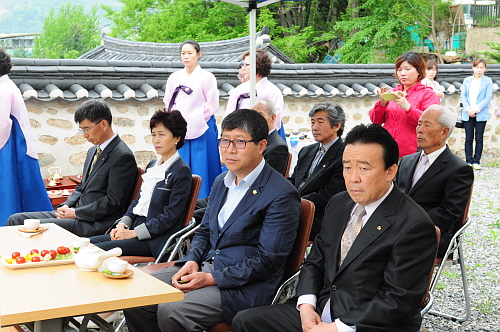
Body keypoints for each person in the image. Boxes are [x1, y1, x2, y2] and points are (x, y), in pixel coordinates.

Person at [232, 123, 437, 332]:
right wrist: (306, 305)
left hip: (366, 324)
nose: (353, 178)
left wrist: (338, 328)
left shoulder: (414, 225)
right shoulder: (339, 203)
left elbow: (397, 300)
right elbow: (315, 260)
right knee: (246, 322)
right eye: (347, 167)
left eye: (364, 168)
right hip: (320, 310)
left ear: (390, 171)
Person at [123, 109, 301, 332]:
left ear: (262, 146)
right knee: (137, 293)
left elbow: (267, 261)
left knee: (173, 311)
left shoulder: (281, 194)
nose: (229, 150)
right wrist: (192, 260)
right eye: (224, 141)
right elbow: (205, 230)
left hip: (243, 285)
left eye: (239, 142)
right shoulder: (221, 181)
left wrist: (211, 278)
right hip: (206, 266)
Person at [7, 100, 137, 237]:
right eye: (82, 130)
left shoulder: (122, 156)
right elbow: (82, 187)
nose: (84, 135)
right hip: (77, 213)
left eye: (87, 129)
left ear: (104, 124)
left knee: (30, 226)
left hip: (96, 222)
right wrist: (66, 206)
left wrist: (76, 213)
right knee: (15, 219)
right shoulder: (93, 151)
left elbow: (113, 202)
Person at [90, 110, 192, 259]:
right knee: (84, 244)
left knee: (95, 251)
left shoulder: (181, 171)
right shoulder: (152, 165)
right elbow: (138, 201)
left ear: (177, 137)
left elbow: (170, 217)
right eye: (153, 134)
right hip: (134, 227)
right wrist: (122, 225)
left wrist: (134, 233)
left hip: (154, 239)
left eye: (162, 134)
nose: (156, 140)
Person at [396, 105, 474, 256]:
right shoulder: (406, 161)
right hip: (398, 228)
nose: (419, 129)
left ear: (444, 131)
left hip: (431, 232)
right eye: (419, 124)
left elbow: (449, 212)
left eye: (427, 125)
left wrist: (410, 225)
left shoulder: (458, 169)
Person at [0, 48, 52, 225]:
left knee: (10, 191)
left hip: (10, 146)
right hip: (15, 144)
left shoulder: (3, 88)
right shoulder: (7, 85)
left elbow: (2, 124)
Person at [163, 39, 221, 198]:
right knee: (181, 163)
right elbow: (168, 101)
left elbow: (212, 103)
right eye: (183, 53)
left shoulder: (207, 77)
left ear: (198, 54)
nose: (186, 56)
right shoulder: (175, 77)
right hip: (180, 127)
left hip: (203, 125)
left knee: (204, 164)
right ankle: (180, 198)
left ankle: (205, 200)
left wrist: (196, 119)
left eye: (190, 53)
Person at [288, 102, 345, 239]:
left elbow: (330, 195)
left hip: (319, 216)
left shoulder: (343, 154)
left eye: (320, 122)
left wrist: (295, 202)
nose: (314, 127)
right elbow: (294, 180)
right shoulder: (307, 150)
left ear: (337, 126)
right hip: (294, 208)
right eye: (312, 122)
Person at [370, 51, 440, 158]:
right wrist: (382, 104)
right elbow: (376, 121)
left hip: (413, 152)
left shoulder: (428, 94)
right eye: (399, 69)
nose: (402, 73)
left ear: (419, 71)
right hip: (388, 149)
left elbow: (429, 123)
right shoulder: (392, 93)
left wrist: (407, 107)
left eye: (407, 69)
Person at [225, 49, 286, 140]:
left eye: (247, 65)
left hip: (265, 137)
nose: (243, 68)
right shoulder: (239, 90)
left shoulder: (272, 91)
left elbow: (275, 120)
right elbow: (229, 114)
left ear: (258, 65)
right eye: (243, 65)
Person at [460, 58, 493, 170]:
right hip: (467, 113)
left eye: (481, 67)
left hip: (481, 113)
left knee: (479, 138)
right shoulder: (467, 80)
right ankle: (468, 160)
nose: (479, 70)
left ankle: (476, 161)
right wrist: (468, 109)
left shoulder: (487, 81)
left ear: (485, 69)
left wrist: (476, 109)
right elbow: (463, 96)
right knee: (468, 138)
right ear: (473, 68)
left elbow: (488, 97)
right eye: (477, 67)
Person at [252, 99, 288, 176]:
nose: (255, 120)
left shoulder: (278, 147)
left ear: (272, 118)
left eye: (260, 115)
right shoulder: (253, 140)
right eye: (253, 116)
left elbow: (269, 179)